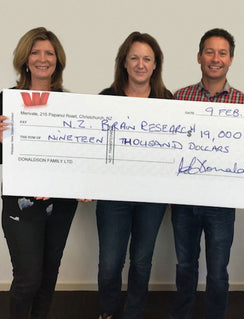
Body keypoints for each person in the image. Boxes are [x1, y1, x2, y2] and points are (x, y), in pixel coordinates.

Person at [169, 28, 244, 319]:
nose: (215, 58)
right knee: (184, 266)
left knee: (218, 270)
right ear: (199, 57)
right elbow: (168, 148)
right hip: (184, 202)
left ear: (231, 60)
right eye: (209, 51)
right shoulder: (179, 98)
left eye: (222, 53)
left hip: (221, 204)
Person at [0, 27, 78, 319]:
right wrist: (1, 139)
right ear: (25, 59)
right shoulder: (8, 99)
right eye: (36, 52)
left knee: (48, 277)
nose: (42, 58)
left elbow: (77, 156)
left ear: (57, 60)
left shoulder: (70, 102)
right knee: (28, 279)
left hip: (60, 203)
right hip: (21, 205)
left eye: (49, 53)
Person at [95, 31, 173, 319]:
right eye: (134, 58)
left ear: (155, 65)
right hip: (113, 197)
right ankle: (107, 313)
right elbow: (91, 147)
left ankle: (134, 314)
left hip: (151, 198)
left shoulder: (168, 100)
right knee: (110, 264)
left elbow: (174, 154)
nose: (141, 64)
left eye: (147, 59)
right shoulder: (106, 98)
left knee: (141, 262)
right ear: (124, 63)